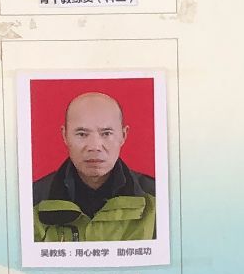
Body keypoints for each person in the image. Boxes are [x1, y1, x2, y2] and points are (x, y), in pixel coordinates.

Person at [33, 91, 156, 242]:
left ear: (123, 135)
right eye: (82, 134)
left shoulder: (158, 199)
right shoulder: (32, 201)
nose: (94, 146)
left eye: (106, 133)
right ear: (65, 136)